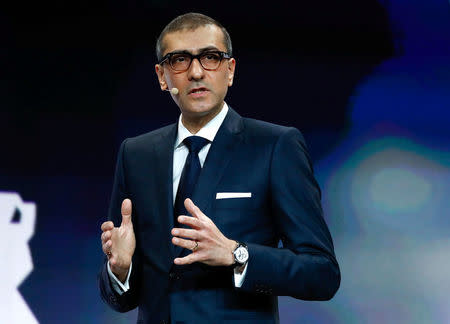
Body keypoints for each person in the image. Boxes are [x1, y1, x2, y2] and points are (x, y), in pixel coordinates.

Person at [99, 12, 340, 324]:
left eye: (211, 57)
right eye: (180, 60)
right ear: (162, 76)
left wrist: (236, 254)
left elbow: (322, 273)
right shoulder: (136, 154)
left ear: (230, 70)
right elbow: (123, 297)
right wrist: (119, 269)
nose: (197, 72)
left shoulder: (274, 146)